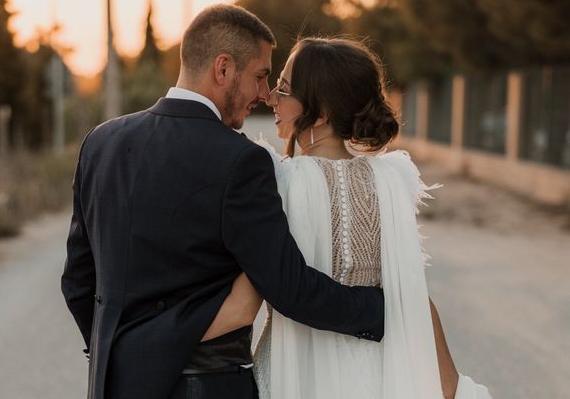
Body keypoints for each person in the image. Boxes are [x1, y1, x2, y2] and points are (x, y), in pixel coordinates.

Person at [61, 6, 385, 399]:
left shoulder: (101, 142)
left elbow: (78, 281)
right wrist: (384, 308)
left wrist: (119, 355)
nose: (266, 95)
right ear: (223, 69)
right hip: (205, 386)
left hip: (113, 384)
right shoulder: (241, 160)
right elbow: (290, 288)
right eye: (261, 77)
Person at [211, 37, 493, 398]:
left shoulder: (280, 182)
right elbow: (409, 295)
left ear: (323, 112)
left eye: (283, 88)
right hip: (379, 374)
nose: (271, 98)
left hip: (296, 374)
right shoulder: (391, 181)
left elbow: (246, 299)